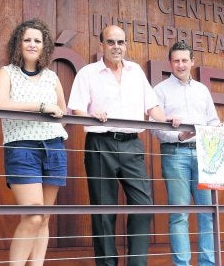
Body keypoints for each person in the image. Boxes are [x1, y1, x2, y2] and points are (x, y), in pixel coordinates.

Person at [68, 25, 168, 266]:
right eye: (111, 42)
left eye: (121, 42)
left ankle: (136, 263)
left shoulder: (136, 72)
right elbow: (77, 107)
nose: (116, 47)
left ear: (126, 45)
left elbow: (151, 106)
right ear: (101, 44)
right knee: (103, 210)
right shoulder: (87, 73)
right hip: (100, 144)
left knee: (143, 205)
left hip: (132, 145)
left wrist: (169, 120)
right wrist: (90, 115)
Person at [0, 19, 68, 266]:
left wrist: (50, 117)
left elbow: (62, 114)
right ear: (18, 43)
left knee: (45, 217)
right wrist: (40, 108)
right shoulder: (6, 72)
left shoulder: (52, 77)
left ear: (44, 46)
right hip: (22, 147)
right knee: (33, 215)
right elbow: (0, 105)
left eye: (37, 40)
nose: (32, 44)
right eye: (27, 39)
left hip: (54, 147)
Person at [153, 41, 219, 266]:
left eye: (184, 60)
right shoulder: (160, 90)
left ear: (192, 61)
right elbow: (156, 128)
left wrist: (219, 129)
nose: (180, 65)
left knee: (207, 213)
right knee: (179, 214)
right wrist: (179, 136)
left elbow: (213, 121)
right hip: (175, 153)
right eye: (176, 61)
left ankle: (207, 264)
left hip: (204, 154)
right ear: (170, 63)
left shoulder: (202, 90)